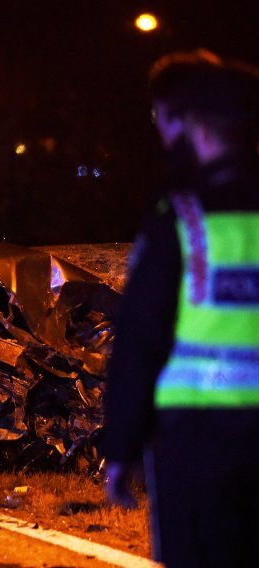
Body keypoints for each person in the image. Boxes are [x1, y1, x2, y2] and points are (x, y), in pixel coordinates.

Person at [103, 51, 259, 566]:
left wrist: (121, 448)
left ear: (195, 127)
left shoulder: (183, 215)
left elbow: (139, 338)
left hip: (196, 444)